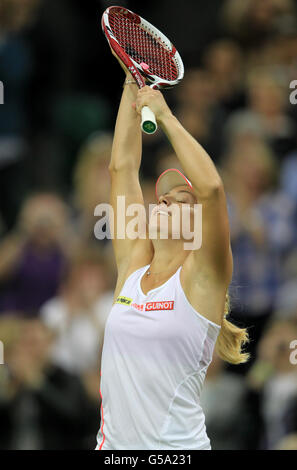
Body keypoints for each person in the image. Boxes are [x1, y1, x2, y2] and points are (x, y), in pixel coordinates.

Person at [95, 55, 249, 451]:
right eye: (162, 196)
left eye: (180, 200)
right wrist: (133, 84)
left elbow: (212, 189)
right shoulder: (132, 267)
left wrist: (164, 115)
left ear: (198, 227)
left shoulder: (203, 278)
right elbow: (122, 168)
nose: (162, 201)